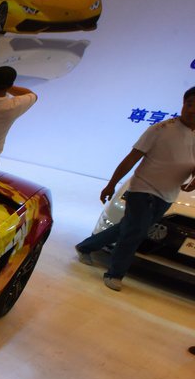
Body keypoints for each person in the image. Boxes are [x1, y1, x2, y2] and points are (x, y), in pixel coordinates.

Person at [75, 86, 195, 291]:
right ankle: (115, 274)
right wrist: (111, 184)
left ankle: (85, 247)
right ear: (183, 104)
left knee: (129, 227)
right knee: (135, 232)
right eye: (189, 104)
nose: (192, 110)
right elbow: (131, 158)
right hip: (143, 188)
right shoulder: (160, 129)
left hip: (168, 195)